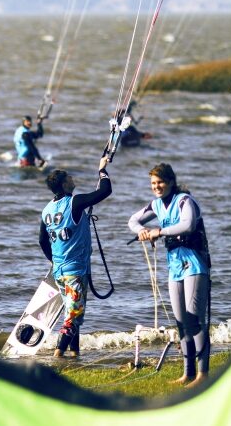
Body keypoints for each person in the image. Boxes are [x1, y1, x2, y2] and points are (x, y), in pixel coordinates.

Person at [128, 163, 212, 388]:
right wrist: (143, 232)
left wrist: (160, 231)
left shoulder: (185, 201)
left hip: (194, 265)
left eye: (160, 182)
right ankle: (188, 373)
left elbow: (187, 224)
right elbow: (132, 221)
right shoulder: (156, 205)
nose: (157, 187)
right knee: (181, 322)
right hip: (174, 267)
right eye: (153, 183)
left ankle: (203, 374)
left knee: (195, 319)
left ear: (171, 182)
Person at [39, 157, 112, 357]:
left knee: (72, 311)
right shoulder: (74, 202)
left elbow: (42, 241)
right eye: (69, 177)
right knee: (74, 314)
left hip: (60, 272)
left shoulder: (46, 210)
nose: (72, 178)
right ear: (64, 184)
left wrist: (54, 260)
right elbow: (105, 191)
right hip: (75, 272)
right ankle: (58, 355)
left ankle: (74, 354)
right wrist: (102, 170)